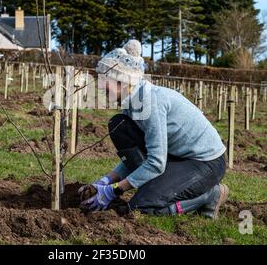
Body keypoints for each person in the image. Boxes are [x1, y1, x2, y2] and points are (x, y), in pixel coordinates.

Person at [79, 39, 229, 218]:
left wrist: (115, 190)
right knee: (118, 124)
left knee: (141, 207)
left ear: (123, 81)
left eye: (105, 80)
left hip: (206, 162)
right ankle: (157, 186)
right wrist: (106, 180)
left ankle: (209, 196)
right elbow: (140, 151)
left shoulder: (149, 103)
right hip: (175, 156)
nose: (100, 85)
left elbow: (156, 162)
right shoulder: (132, 102)